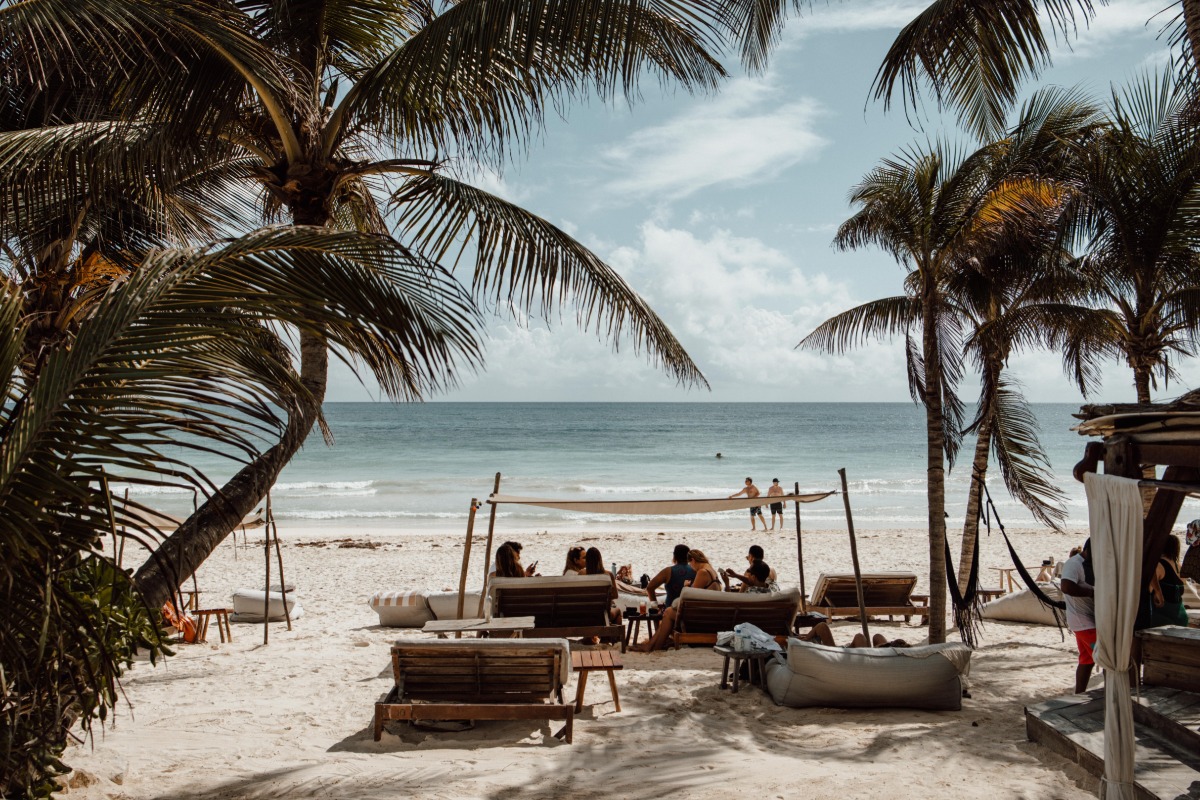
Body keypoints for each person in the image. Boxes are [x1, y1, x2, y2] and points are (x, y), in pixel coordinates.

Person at [630, 549, 723, 652]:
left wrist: (685, 587)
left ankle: (655, 647)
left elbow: (689, 597)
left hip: (700, 618)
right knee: (669, 612)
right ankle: (651, 646)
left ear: (692, 560)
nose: (691, 567)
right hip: (709, 614)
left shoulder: (702, 572)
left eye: (690, 563)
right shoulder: (712, 571)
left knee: (668, 612)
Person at [1059, 539, 1096, 694]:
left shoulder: (1089, 564)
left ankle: (1079, 695)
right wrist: (1092, 592)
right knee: (1107, 658)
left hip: (1083, 622)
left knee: (1087, 660)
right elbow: (1066, 586)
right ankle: (1110, 696)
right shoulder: (1074, 564)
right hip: (1084, 623)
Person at [1142, 534, 1189, 629]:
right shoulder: (1179, 567)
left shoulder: (1159, 565)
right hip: (1181, 618)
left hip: (1163, 621)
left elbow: (1148, 590)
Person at [645, 544, 695, 610]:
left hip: (671, 610)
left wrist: (655, 607)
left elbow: (650, 587)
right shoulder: (696, 570)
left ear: (674, 556)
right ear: (688, 557)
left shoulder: (668, 571)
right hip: (691, 610)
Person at [797, 621, 909, 649]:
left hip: (840, 655)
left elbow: (821, 626)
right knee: (877, 636)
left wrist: (807, 638)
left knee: (822, 626)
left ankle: (805, 639)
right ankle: (805, 638)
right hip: (854, 651)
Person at [583, 547, 621, 622]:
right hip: (603, 615)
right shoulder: (608, 575)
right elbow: (615, 595)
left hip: (586, 615)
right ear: (600, 559)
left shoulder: (581, 574)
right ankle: (614, 633)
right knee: (618, 611)